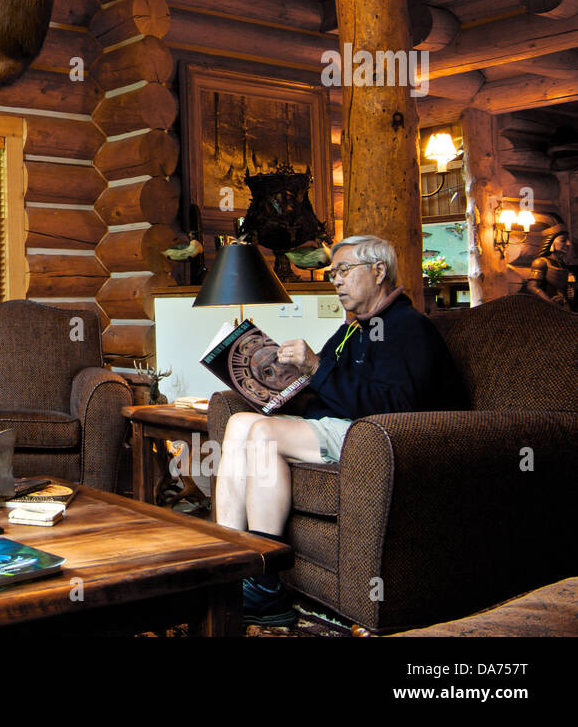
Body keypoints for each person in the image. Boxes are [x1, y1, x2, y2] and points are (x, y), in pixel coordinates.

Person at [214, 234, 467, 625]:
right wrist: (276, 380)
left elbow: (394, 406)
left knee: (264, 436)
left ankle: (265, 587)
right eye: (333, 271)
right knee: (240, 422)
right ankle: (228, 561)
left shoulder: (407, 327)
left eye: (344, 270)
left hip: (384, 437)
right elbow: (323, 383)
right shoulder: (353, 328)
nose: (335, 279)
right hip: (341, 426)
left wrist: (315, 367)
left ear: (379, 271)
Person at [523, 225, 575, 310]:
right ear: (551, 242)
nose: (568, 244)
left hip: (563, 306)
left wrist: (569, 294)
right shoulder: (541, 262)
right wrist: (551, 303)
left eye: (568, 240)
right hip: (546, 308)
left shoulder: (562, 264)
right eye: (563, 240)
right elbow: (532, 287)